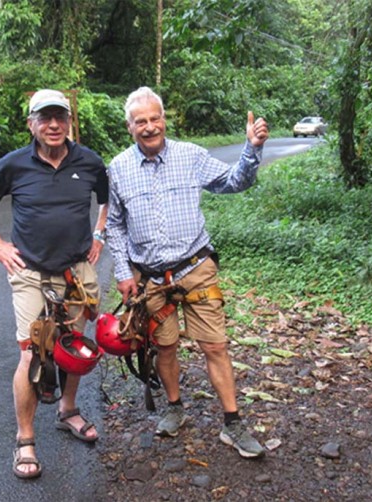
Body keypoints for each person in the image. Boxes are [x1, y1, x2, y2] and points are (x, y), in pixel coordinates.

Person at [106, 86, 269, 458]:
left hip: (195, 268)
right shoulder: (117, 168)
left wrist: (252, 148)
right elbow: (114, 225)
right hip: (150, 280)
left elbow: (234, 182)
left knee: (215, 345)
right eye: (140, 122)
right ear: (129, 127)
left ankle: (233, 423)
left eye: (155, 118)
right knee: (165, 346)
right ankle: (175, 408)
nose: (150, 127)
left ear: (164, 119)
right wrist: (122, 271)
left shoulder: (190, 155)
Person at [0, 89, 109, 479]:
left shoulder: (90, 161)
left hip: (77, 273)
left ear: (69, 121)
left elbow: (108, 198)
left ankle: (68, 410)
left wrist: (100, 235)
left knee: (74, 349)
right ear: (31, 124)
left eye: (59, 117)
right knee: (32, 355)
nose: (53, 125)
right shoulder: (13, 164)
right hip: (30, 273)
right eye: (44, 118)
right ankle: (25, 438)